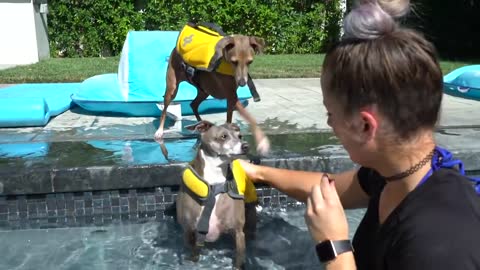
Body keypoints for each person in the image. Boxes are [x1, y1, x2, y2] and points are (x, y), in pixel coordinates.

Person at [237, 0, 480, 269]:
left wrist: (334, 246)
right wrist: (258, 173)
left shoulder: (440, 244)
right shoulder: (396, 173)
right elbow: (329, 188)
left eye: (331, 114)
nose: (329, 124)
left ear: (365, 125)